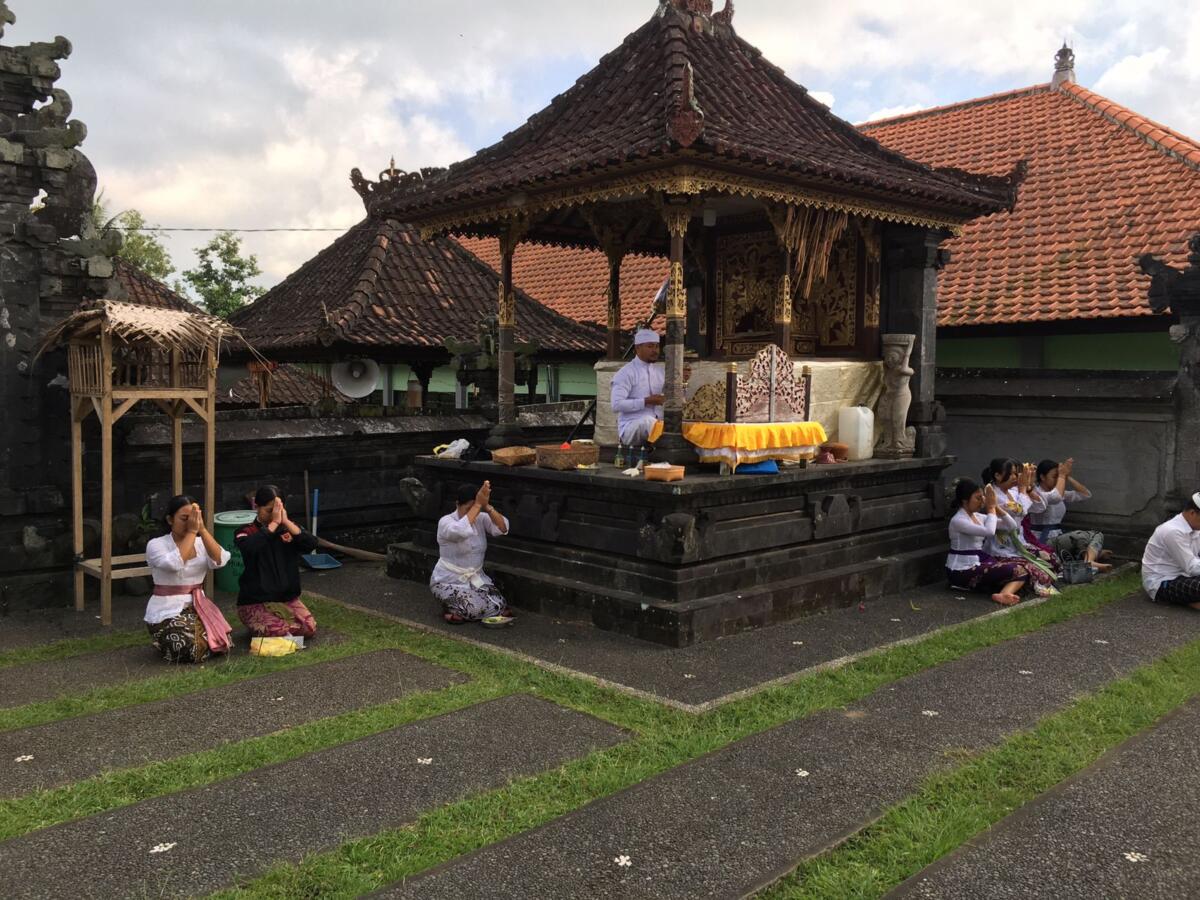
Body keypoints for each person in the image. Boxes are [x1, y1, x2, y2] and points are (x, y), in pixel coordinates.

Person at [144, 494, 233, 663]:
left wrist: (202, 530)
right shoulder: (156, 544)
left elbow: (220, 560)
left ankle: (171, 645)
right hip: (166, 611)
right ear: (170, 520)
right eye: (184, 519)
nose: (190, 523)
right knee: (190, 647)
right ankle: (166, 643)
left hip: (197, 607)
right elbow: (175, 564)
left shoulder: (200, 543)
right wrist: (192, 532)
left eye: (194, 519)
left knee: (223, 641)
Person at [234, 485, 320, 638]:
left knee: (308, 628)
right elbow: (249, 548)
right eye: (269, 511)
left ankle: (273, 624)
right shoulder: (246, 531)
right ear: (256, 507)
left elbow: (311, 544)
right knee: (281, 631)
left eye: (277, 510)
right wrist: (273, 525)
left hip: (286, 599)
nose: (274, 515)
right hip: (255, 601)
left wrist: (285, 521)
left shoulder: (288, 528)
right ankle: (263, 624)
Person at [431, 480, 514, 624]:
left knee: (499, 604)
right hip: (448, 580)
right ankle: (450, 609)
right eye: (468, 508)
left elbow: (502, 528)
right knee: (474, 609)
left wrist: (486, 506)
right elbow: (460, 531)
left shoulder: (480, 518)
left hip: (476, 578)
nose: (473, 513)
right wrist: (476, 505)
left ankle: (466, 607)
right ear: (457, 504)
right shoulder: (446, 522)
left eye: (476, 509)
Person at [947, 479, 1040, 606]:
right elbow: (989, 531)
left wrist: (996, 507)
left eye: (982, 497)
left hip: (980, 561)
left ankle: (1003, 593)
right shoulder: (958, 520)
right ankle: (1002, 593)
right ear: (964, 500)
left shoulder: (978, 516)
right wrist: (991, 508)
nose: (982, 501)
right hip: (961, 569)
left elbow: (1011, 526)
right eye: (978, 498)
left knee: (1025, 567)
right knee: (1016, 570)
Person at [980, 457, 1060, 594]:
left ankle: (1028, 584)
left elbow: (1040, 507)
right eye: (1011, 473)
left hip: (1020, 543)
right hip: (1002, 547)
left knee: (1052, 559)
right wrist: (1023, 489)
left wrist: (1029, 487)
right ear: (997, 475)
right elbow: (1020, 510)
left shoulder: (1013, 491)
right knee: (1036, 569)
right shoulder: (993, 494)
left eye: (1016, 473)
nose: (1015, 477)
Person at [1029, 457, 1110, 571]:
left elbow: (1085, 494)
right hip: (1043, 540)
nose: (1057, 480)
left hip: (1058, 537)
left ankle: (1088, 558)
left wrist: (1067, 477)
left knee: (1095, 536)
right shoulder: (1037, 494)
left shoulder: (1059, 493)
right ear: (1042, 477)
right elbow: (1055, 497)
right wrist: (1062, 476)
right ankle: (1089, 560)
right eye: (1054, 477)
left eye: (1058, 477)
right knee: (1085, 536)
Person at [610, 328, 664, 466]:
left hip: (659, 424)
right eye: (650, 346)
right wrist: (646, 401)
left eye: (657, 346)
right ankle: (666, 454)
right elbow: (616, 405)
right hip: (630, 427)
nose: (655, 350)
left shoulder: (661, 372)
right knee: (648, 421)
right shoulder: (626, 373)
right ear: (637, 348)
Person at [1141, 492, 1200, 608]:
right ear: (1192, 513)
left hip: (1186, 576)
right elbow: (1192, 567)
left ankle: (1190, 601)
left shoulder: (1195, 529)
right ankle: (1189, 602)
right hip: (1162, 582)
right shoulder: (1172, 531)